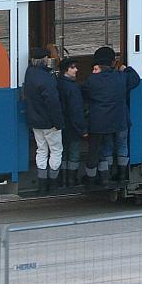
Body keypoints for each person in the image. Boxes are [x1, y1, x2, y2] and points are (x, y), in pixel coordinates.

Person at [82, 46, 140, 188]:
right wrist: (126, 68)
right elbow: (135, 79)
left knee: (106, 147)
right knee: (122, 145)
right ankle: (122, 175)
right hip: (120, 119)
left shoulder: (92, 80)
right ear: (113, 62)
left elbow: (84, 94)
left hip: (102, 123)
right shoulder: (121, 77)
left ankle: (105, 177)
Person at [23, 47, 64, 194]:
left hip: (35, 121)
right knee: (56, 150)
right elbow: (53, 103)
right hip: (49, 122)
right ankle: (53, 184)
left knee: (41, 150)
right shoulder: (47, 78)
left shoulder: (29, 73)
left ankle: (42, 184)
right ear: (45, 59)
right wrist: (58, 123)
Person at [56, 57, 87, 187]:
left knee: (62, 153)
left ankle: (62, 179)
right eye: (72, 67)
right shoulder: (73, 88)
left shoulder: (57, 84)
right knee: (74, 153)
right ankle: (72, 179)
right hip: (73, 127)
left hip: (61, 125)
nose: (76, 70)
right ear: (65, 70)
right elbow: (76, 111)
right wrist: (83, 129)